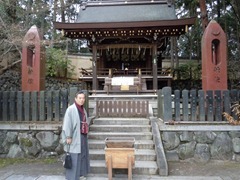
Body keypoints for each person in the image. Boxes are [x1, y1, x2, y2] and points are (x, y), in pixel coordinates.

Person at [62, 91, 90, 180]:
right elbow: (67, 124)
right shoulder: (71, 109)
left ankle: (81, 174)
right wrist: (68, 136)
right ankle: (72, 177)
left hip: (82, 135)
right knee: (74, 156)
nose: (82, 100)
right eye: (80, 98)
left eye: (83, 98)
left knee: (82, 155)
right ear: (75, 99)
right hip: (74, 136)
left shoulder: (83, 110)